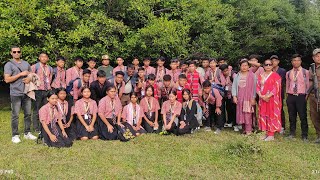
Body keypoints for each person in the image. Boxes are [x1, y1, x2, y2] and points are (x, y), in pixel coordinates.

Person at [4, 46, 37, 143]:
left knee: (28, 114)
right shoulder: (9, 65)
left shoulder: (26, 63)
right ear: (11, 53)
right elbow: (7, 79)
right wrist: (20, 74)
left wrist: (29, 78)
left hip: (26, 92)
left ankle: (27, 133)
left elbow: (32, 75)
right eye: (14, 52)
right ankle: (15, 135)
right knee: (15, 115)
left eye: (18, 51)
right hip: (15, 93)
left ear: (21, 53)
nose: (16, 53)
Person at [257, 59, 282, 141]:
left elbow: (276, 88)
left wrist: (268, 96)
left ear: (272, 65)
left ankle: (271, 134)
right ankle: (264, 132)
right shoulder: (260, 75)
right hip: (262, 99)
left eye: (270, 64)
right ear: (263, 66)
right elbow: (258, 86)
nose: (268, 66)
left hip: (271, 99)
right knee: (263, 114)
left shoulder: (276, 76)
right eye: (266, 64)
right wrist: (261, 95)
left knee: (271, 114)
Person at [286, 54, 309, 141]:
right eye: (294, 60)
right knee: (291, 115)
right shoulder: (288, 73)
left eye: (298, 60)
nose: (296, 62)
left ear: (300, 61)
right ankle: (292, 133)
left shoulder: (305, 72)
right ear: (292, 62)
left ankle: (304, 135)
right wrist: (287, 95)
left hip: (301, 96)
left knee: (303, 115)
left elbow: (307, 85)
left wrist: (306, 96)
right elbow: (288, 84)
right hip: (291, 96)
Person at [232, 59, 257, 134]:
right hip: (240, 97)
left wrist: (253, 97)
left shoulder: (252, 76)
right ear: (240, 66)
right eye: (242, 65)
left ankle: (249, 130)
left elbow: (255, 87)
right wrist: (234, 96)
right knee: (241, 113)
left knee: (248, 113)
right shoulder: (237, 75)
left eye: (246, 65)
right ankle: (244, 129)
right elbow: (234, 86)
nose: (244, 67)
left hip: (248, 98)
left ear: (249, 66)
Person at [31, 52, 53, 132]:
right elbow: (30, 77)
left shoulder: (50, 68)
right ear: (39, 58)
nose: (44, 58)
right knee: (37, 109)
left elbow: (50, 78)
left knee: (45, 109)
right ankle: (36, 128)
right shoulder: (34, 67)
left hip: (47, 91)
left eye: (45, 57)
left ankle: (44, 126)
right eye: (42, 57)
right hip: (38, 91)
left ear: (47, 58)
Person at [271, 55, 287, 134]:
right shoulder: (268, 70)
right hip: (270, 94)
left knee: (280, 109)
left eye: (275, 61)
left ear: (278, 61)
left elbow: (279, 81)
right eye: (272, 61)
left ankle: (282, 126)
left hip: (279, 93)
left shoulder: (282, 71)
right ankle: (273, 125)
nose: (274, 62)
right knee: (271, 109)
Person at [308, 48, 320, 143]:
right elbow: (310, 82)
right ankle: (319, 135)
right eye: (317, 56)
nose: (319, 57)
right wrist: (307, 93)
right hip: (313, 95)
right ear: (313, 57)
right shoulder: (311, 68)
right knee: (314, 115)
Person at [219, 64, 236, 129]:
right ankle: (230, 122)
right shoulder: (222, 76)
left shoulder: (233, 74)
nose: (225, 72)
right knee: (228, 109)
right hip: (227, 95)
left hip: (233, 95)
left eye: (226, 70)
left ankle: (235, 123)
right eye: (224, 71)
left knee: (234, 110)